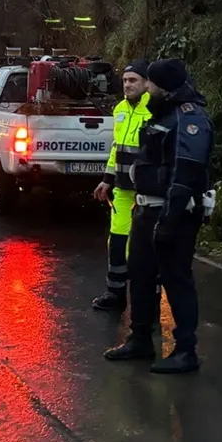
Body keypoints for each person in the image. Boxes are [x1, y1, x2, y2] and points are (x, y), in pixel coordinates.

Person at [105, 57, 213, 374]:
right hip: (145, 209)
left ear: (163, 86)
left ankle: (186, 350)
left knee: (176, 279)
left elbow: (185, 174)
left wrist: (169, 220)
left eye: (150, 82)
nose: (147, 87)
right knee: (140, 275)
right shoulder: (161, 113)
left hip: (173, 214)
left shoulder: (189, 119)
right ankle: (140, 339)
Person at [91, 59, 152, 312]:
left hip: (148, 192)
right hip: (123, 190)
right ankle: (115, 293)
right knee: (116, 242)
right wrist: (107, 180)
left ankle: (147, 300)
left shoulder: (154, 110)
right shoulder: (120, 110)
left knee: (145, 247)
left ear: (147, 83)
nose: (127, 85)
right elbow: (117, 148)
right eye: (125, 80)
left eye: (133, 80)